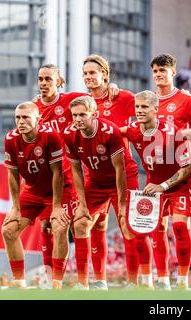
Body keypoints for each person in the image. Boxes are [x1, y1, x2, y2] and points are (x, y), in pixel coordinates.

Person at [33, 64, 119, 286]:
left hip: (74, 175)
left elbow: (95, 98)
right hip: (46, 178)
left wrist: (112, 88)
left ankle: (95, 280)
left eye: (48, 79)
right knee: (47, 226)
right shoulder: (32, 108)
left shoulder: (72, 99)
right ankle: (51, 280)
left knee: (91, 223)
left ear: (58, 81)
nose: (43, 83)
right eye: (40, 79)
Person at [122, 90, 191, 290]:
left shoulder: (172, 132)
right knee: (145, 230)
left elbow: (187, 168)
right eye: (137, 107)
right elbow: (111, 131)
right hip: (153, 183)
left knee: (179, 227)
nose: (139, 110)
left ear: (156, 109)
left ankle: (182, 282)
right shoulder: (133, 130)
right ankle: (154, 281)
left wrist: (162, 186)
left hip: (179, 184)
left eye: (144, 107)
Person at [82, 54, 143, 288]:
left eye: (93, 73)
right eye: (85, 73)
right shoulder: (82, 104)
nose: (88, 77)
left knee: (129, 225)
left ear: (105, 75)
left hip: (122, 174)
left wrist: (119, 131)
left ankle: (134, 282)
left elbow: (146, 114)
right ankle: (99, 281)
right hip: (94, 176)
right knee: (92, 224)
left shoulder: (124, 97)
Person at [63, 96, 128, 290]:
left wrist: (122, 204)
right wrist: (82, 204)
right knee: (81, 223)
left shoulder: (110, 131)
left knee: (127, 226)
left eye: (83, 114)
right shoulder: (70, 134)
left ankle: (142, 281)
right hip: (95, 183)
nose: (78, 119)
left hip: (117, 182)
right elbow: (76, 170)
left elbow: (120, 170)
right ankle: (85, 283)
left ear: (95, 115)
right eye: (75, 115)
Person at [2, 102, 69, 288]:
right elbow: (12, 175)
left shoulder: (50, 136)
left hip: (58, 192)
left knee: (60, 228)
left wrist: (56, 206)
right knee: (8, 231)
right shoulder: (10, 139)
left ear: (38, 119)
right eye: (17, 117)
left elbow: (58, 173)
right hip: (32, 192)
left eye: (25, 117)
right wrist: (15, 208)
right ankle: (19, 282)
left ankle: (56, 282)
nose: (20, 121)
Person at [149, 54, 191, 289]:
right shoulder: (148, 101)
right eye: (155, 71)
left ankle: (183, 280)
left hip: (181, 172)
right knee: (158, 229)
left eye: (163, 70)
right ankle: (162, 279)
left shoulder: (186, 100)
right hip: (155, 175)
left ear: (173, 71)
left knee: (180, 226)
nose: (158, 74)